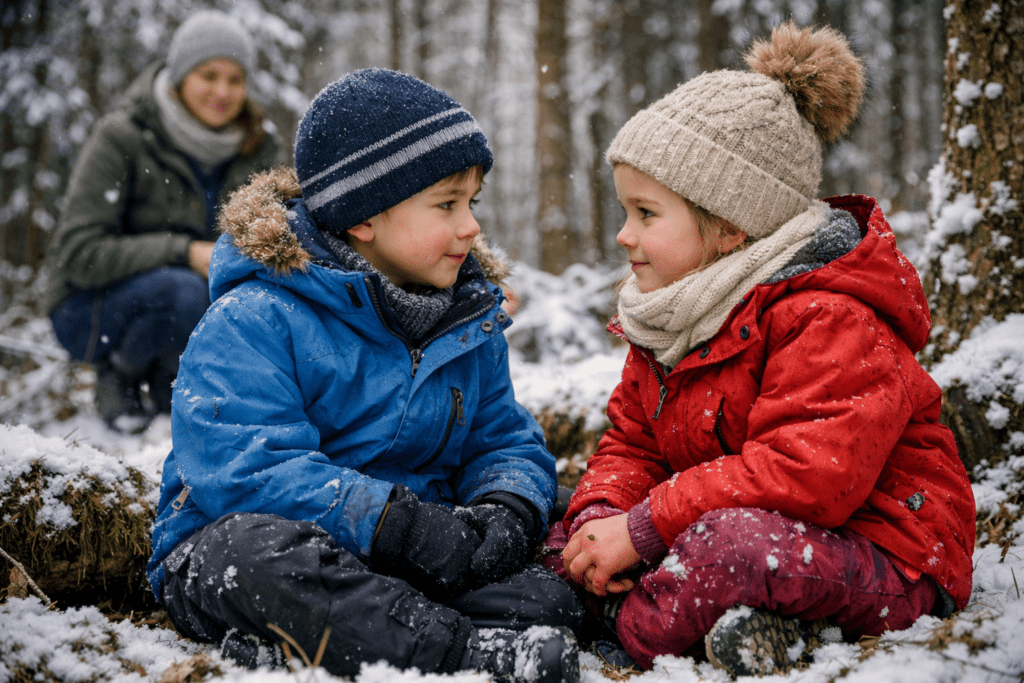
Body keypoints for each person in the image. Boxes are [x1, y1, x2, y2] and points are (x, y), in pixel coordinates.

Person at [543, 21, 976, 678]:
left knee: (730, 550)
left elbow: (806, 475)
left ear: (728, 226)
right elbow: (632, 443)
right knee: (564, 519)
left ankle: (618, 629)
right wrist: (604, 515)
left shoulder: (830, 315)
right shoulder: (674, 317)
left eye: (646, 214)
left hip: (884, 551)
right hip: (735, 523)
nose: (624, 235)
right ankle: (732, 623)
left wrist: (644, 527)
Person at [146, 69, 583, 683]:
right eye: (447, 205)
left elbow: (502, 436)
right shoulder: (254, 318)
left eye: (472, 203)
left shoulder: (465, 320)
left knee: (550, 589)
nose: (471, 227)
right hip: (253, 543)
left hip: (402, 557)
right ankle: (462, 656)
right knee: (254, 559)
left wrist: (503, 510)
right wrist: (393, 524)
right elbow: (247, 469)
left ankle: (313, 644)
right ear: (362, 218)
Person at [44, 10, 283, 432]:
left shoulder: (259, 146)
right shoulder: (123, 136)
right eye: (209, 75)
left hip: (196, 300)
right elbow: (78, 253)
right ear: (179, 76)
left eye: (235, 79)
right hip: (90, 309)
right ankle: (122, 372)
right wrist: (184, 252)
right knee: (183, 292)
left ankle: (174, 387)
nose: (223, 91)